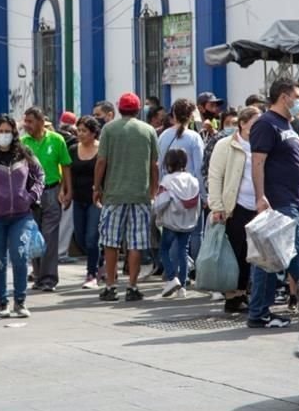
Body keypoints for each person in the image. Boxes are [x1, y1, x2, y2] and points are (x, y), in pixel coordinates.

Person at [249, 79, 299, 328]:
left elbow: (290, 164)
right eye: (297, 95)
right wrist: (260, 197)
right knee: (294, 253)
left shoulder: (288, 125)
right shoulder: (265, 124)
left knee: (269, 259)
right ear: (284, 97)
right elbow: (257, 163)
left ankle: (259, 312)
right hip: (278, 202)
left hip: (292, 200)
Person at [0, 114, 45, 318]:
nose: (4, 135)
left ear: (14, 133)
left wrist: (32, 196)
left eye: (7, 131)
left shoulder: (24, 152)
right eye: (0, 131)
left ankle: (20, 302)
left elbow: (40, 175)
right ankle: (2, 302)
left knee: (20, 256)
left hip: (21, 215)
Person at [94, 92, 159, 303]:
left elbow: (101, 161)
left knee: (110, 242)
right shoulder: (148, 130)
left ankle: (111, 286)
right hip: (140, 194)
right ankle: (132, 286)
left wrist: (97, 186)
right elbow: (154, 164)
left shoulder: (109, 129)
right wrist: (153, 190)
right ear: (139, 109)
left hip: (114, 194)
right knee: (135, 243)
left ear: (119, 109)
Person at [208, 106, 261, 312]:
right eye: (254, 123)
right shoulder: (226, 144)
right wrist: (217, 206)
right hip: (235, 205)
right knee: (235, 251)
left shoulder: (261, 144)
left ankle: (242, 292)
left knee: (250, 252)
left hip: (256, 203)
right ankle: (232, 295)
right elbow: (215, 175)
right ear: (242, 123)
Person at [20, 106, 72, 292]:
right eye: (25, 121)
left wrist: (67, 190)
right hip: (30, 194)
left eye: (30, 121)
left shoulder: (57, 140)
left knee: (49, 236)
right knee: (34, 235)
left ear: (42, 122)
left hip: (52, 191)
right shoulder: (22, 143)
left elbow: (65, 166)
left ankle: (49, 278)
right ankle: (38, 274)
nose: (26, 125)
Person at [158, 99, 206, 261]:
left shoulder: (164, 135)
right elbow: (200, 169)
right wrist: (204, 195)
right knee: (195, 232)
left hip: (169, 190)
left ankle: (173, 267)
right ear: (191, 116)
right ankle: (193, 268)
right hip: (190, 191)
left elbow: (159, 165)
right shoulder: (194, 137)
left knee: (172, 231)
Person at [154, 148, 201, 299]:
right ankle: (183, 286)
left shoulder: (167, 180)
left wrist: (156, 213)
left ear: (168, 163)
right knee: (183, 251)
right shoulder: (193, 180)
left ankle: (171, 278)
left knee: (164, 250)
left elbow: (162, 202)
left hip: (171, 222)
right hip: (188, 222)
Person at [69, 115, 102, 289]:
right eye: (79, 130)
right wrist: (66, 191)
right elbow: (67, 172)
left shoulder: (101, 149)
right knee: (80, 238)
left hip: (95, 199)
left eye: (84, 131)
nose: (80, 134)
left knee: (91, 237)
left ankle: (92, 273)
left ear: (93, 133)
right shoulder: (73, 149)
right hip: (78, 198)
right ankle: (101, 259)